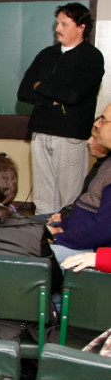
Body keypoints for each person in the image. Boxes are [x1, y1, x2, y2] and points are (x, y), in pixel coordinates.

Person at [17, 2, 105, 216]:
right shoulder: (47, 54)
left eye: (64, 24)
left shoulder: (91, 57)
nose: (58, 28)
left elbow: (73, 96)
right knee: (43, 196)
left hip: (70, 134)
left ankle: (66, 233)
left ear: (81, 27)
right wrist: (52, 101)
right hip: (40, 130)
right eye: (57, 23)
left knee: (69, 197)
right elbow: (24, 92)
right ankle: (43, 233)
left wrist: (41, 87)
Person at [48, 102, 111, 263]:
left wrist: (58, 237)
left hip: (94, 253)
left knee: (25, 254)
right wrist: (61, 227)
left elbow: (102, 230)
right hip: (79, 241)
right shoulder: (107, 164)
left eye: (103, 120)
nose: (97, 124)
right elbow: (86, 212)